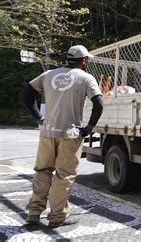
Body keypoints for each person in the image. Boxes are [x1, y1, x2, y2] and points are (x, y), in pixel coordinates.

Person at [22, 45, 103, 228]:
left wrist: (39, 118)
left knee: (42, 171)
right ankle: (57, 217)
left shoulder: (48, 75)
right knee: (63, 176)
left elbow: (27, 94)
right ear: (83, 61)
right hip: (70, 134)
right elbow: (98, 103)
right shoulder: (86, 78)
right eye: (86, 60)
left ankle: (34, 213)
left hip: (47, 132)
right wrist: (89, 127)